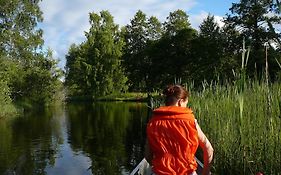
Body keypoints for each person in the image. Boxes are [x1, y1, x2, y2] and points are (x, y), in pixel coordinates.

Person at [145, 84, 213, 175]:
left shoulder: (153, 122)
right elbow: (209, 149)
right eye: (186, 103)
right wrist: (205, 173)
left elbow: (148, 155)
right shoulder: (191, 121)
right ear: (181, 102)